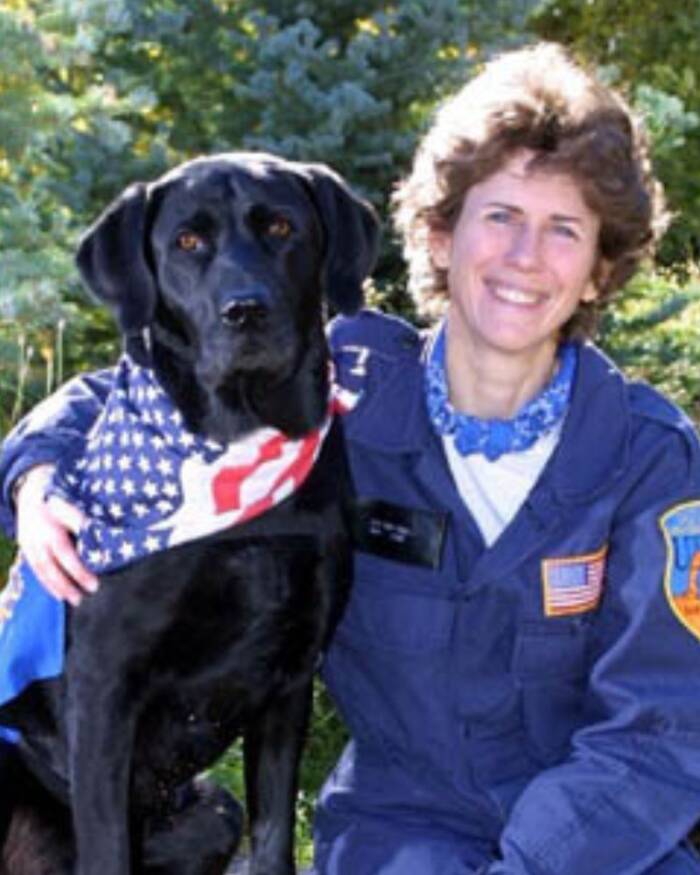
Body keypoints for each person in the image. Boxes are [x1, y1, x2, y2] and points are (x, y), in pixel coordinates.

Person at [2, 42, 700, 874]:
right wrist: (36, 474)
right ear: (440, 237)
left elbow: (662, 727)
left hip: (601, 844)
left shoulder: (650, 458)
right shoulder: (344, 396)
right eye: (501, 217)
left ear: (599, 270)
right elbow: (122, 392)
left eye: (564, 230)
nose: (524, 257)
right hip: (403, 836)